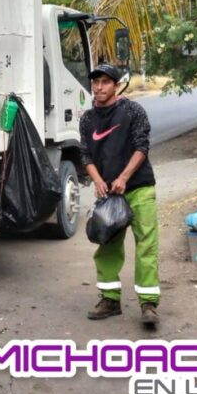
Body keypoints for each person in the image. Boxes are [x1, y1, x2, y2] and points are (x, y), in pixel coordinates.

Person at [79, 63, 160, 326]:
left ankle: (148, 305)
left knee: (146, 244)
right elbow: (86, 155)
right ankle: (110, 299)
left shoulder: (132, 111)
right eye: (96, 82)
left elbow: (142, 146)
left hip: (139, 189)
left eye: (105, 82)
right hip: (108, 194)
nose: (99, 87)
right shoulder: (88, 119)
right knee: (107, 245)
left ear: (116, 85)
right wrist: (99, 181)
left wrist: (124, 177)